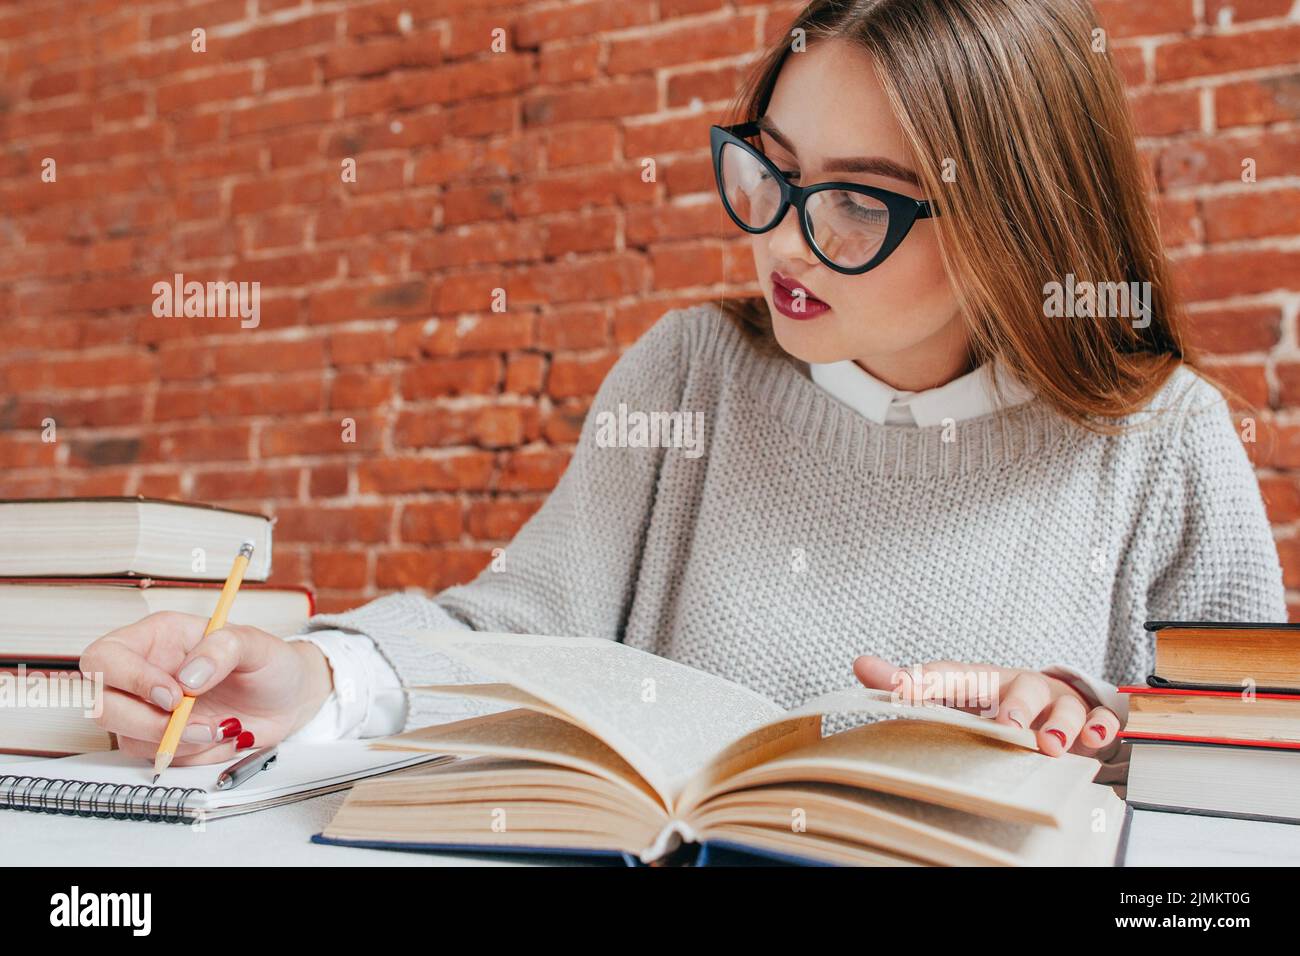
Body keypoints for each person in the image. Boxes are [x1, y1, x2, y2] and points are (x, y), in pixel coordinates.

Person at [81, 0, 1285, 788]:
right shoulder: (692, 371)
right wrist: (309, 675)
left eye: (858, 199)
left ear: (1015, 221)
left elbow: (1250, 776)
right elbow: (514, 627)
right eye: (771, 170)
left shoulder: (1156, 436)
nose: (786, 244)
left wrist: (1082, 722)